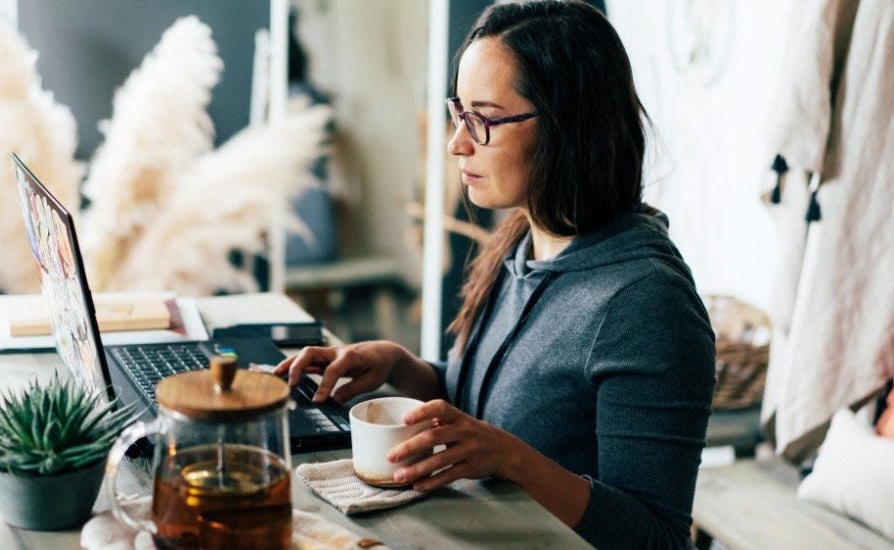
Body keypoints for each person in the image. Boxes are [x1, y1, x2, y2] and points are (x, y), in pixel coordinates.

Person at [275, 1, 715, 548]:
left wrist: (511, 459)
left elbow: (658, 537)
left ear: (567, 125)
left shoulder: (647, 304)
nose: (458, 142)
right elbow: (495, 407)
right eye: (458, 113)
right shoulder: (525, 238)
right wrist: (400, 366)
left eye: (482, 119)